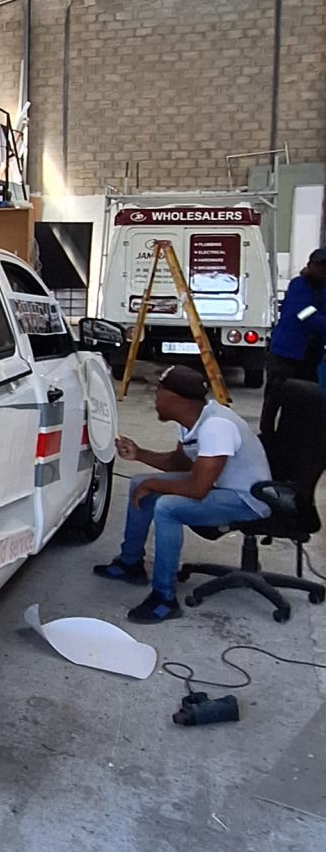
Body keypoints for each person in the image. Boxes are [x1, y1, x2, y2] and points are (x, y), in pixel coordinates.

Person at [93, 363, 271, 624]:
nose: (154, 398)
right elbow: (179, 464)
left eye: (158, 393)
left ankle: (164, 598)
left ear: (175, 399)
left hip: (246, 499)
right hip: (219, 486)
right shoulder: (192, 421)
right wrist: (139, 454)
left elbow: (197, 489)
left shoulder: (216, 426)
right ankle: (130, 564)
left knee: (168, 508)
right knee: (139, 482)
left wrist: (154, 485)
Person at [261, 245, 326, 442]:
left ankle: (292, 434)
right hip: (286, 352)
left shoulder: (323, 288)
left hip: (309, 355)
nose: (323, 270)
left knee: (304, 396)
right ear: (310, 265)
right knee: (276, 394)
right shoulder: (299, 285)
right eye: (320, 265)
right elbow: (303, 314)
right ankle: (267, 434)